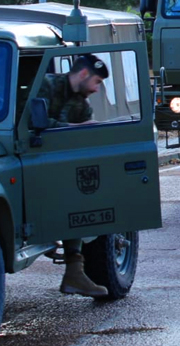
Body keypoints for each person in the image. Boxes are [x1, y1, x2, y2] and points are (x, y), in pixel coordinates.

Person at [35, 54, 110, 297]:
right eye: (97, 82)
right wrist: (77, 129)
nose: (97, 89)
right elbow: (35, 124)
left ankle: (75, 272)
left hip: (56, 169)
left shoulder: (81, 104)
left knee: (80, 195)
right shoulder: (45, 84)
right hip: (30, 161)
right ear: (84, 74)